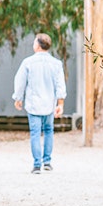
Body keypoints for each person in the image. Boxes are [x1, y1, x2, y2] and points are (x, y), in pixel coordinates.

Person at [12, 33, 66, 174]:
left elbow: (20, 82)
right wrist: (60, 104)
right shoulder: (56, 63)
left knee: (35, 133)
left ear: (38, 45)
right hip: (49, 104)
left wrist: (18, 98)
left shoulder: (28, 62)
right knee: (49, 131)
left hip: (33, 103)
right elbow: (60, 85)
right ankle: (47, 161)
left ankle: (37, 165)